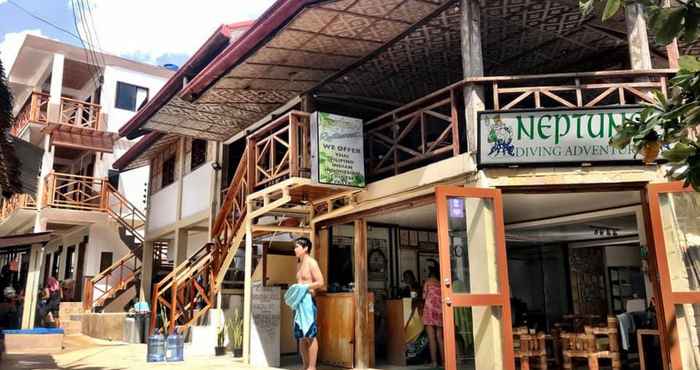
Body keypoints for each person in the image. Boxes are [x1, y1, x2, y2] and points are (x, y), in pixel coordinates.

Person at [288, 237, 324, 370]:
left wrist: (304, 287)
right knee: (301, 336)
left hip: (308, 302)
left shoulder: (312, 263)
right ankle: (305, 366)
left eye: (297, 247)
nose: (295, 249)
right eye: (295, 247)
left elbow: (320, 282)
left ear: (306, 248)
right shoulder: (299, 264)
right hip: (299, 304)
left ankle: (312, 367)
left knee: (310, 335)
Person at [422, 266, 443, 368]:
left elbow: (423, 296)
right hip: (439, 311)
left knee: (431, 338)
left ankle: (434, 362)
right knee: (440, 337)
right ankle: (444, 361)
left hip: (430, 311)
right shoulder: (441, 283)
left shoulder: (427, 282)